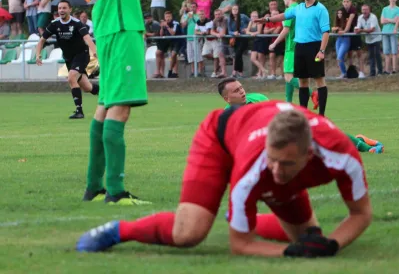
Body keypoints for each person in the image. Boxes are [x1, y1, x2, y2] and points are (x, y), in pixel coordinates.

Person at [76, 102, 373, 258]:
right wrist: (287, 253)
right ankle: (118, 230)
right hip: (219, 137)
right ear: (267, 149)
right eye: (273, 160)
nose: (277, 170)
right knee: (189, 233)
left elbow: (361, 214)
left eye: (287, 163)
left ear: (309, 156)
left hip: (255, 139)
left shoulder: (343, 156)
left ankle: (241, 214)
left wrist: (332, 244)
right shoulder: (257, 165)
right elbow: (240, 245)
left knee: (310, 241)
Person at [85, 0, 163, 204]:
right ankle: (115, 192)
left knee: (105, 104)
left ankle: (95, 186)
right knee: (120, 107)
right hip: (119, 25)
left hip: (113, 25)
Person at [217, 77, 384, 153]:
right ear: (226, 98)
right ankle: (358, 140)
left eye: (241, 88)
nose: (242, 91)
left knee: (321, 129)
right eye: (236, 91)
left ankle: (364, 146)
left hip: (285, 129)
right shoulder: (228, 117)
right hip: (275, 142)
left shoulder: (257, 98)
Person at [255, 0, 330, 116]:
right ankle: (304, 114)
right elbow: (283, 16)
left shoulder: (320, 9)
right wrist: (267, 20)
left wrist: (321, 50)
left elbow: (326, 32)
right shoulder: (299, 8)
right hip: (299, 47)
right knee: (302, 81)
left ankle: (322, 115)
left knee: (319, 79)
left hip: (314, 47)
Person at [35, 0, 99, 119]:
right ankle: (103, 92)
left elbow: (87, 38)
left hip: (82, 55)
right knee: (87, 87)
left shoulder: (77, 23)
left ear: (70, 10)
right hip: (69, 59)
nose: (61, 10)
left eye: (64, 8)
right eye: (59, 8)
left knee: (71, 77)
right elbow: (41, 40)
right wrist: (38, 54)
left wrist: (94, 50)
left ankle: (79, 111)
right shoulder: (54, 24)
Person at [269, 0, 318, 107]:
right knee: (290, 76)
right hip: (301, 45)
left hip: (291, 48)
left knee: (288, 76)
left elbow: (286, 29)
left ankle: (314, 94)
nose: (283, 0)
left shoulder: (291, 10)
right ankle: (288, 103)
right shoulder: (301, 8)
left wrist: (274, 43)